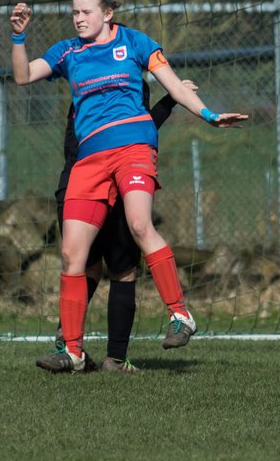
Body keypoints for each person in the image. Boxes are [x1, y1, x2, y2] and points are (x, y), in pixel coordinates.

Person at [11, 0, 247, 373]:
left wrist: (210, 115)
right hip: (88, 159)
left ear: (108, 13)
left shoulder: (135, 42)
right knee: (71, 255)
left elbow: (173, 84)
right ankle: (73, 350)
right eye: (74, 14)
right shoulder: (68, 52)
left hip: (134, 147)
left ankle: (180, 314)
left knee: (139, 225)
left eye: (85, 13)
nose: (78, 19)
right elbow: (24, 75)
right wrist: (18, 37)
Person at [53, 80, 197, 373]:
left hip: (82, 184)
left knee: (90, 265)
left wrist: (171, 100)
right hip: (101, 184)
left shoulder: (90, 83)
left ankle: (75, 345)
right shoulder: (115, 83)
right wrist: (172, 99)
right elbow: (138, 130)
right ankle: (101, 354)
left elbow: (131, 131)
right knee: (108, 267)